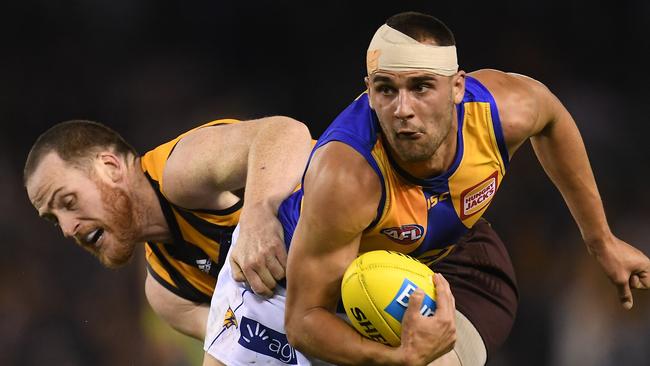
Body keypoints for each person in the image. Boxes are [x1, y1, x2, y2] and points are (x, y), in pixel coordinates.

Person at [202, 11, 650, 366]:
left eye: (421, 88)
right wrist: (397, 358)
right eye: (386, 90)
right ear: (368, 92)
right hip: (298, 283)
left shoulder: (502, 110)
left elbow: (553, 119)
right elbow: (304, 321)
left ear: (457, 87)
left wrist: (601, 240)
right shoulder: (347, 176)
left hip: (454, 264)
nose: (403, 110)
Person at [23, 116, 312, 342]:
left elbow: (285, 132)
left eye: (68, 202)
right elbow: (252, 352)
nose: (66, 228)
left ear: (110, 167)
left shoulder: (180, 172)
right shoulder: (169, 295)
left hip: (352, 216)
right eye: (53, 219)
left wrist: (258, 214)